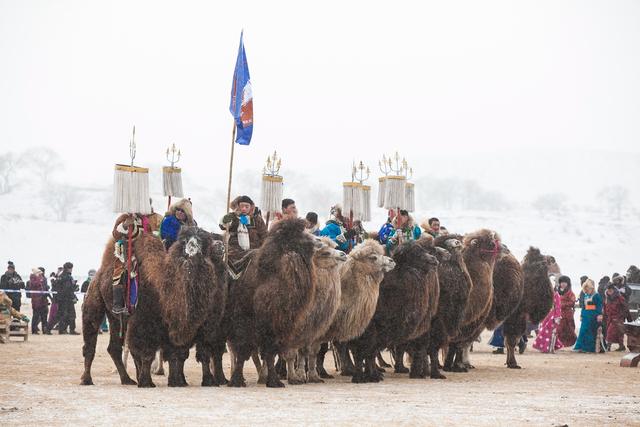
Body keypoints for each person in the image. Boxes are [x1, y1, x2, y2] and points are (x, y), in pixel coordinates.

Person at [220, 195, 268, 264]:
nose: (244, 209)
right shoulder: (233, 217)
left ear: (251, 207)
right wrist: (226, 220)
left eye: (246, 206)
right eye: (242, 206)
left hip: (253, 253)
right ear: (238, 206)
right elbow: (223, 226)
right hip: (234, 252)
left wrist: (263, 250)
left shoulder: (257, 219)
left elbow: (264, 235)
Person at [574, 279, 603, 353]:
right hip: (585, 316)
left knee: (590, 332)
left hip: (593, 316)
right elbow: (584, 306)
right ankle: (580, 347)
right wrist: (581, 315)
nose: (586, 290)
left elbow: (599, 306)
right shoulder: (586, 295)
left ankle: (589, 348)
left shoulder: (597, 296)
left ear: (592, 288)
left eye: (588, 288)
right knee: (582, 331)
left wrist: (599, 314)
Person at [533, 286, 564, 353]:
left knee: (549, 332)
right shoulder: (546, 295)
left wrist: (557, 317)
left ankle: (549, 348)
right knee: (543, 331)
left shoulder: (556, 295)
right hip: (546, 316)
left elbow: (558, 306)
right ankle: (544, 347)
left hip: (552, 316)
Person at [604, 283, 630, 352]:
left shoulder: (619, 297)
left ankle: (608, 346)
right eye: (608, 290)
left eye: (610, 290)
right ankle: (621, 346)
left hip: (617, 318)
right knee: (618, 332)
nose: (609, 292)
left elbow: (625, 307)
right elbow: (605, 307)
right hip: (610, 318)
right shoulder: (607, 298)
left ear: (613, 290)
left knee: (612, 332)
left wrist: (621, 315)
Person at [56, 262, 78, 335]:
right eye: (71, 268)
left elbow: (58, 286)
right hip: (67, 299)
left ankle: (62, 330)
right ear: (69, 268)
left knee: (63, 315)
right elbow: (68, 289)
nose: (72, 270)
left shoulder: (60, 276)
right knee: (71, 315)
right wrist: (73, 297)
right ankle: (70, 330)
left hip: (61, 298)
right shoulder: (67, 277)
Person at [26, 267, 50, 335]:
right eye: (38, 272)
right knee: (36, 316)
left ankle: (45, 330)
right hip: (36, 300)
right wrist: (39, 279)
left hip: (43, 299)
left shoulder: (44, 278)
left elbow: (45, 287)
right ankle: (34, 330)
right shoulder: (32, 278)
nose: (40, 274)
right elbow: (33, 285)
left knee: (44, 316)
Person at [557, 275, 577, 347]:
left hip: (567, 313)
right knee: (559, 328)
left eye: (565, 282)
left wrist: (562, 305)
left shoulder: (570, 293)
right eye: (561, 282)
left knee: (569, 328)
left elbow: (572, 302)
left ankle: (569, 343)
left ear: (568, 283)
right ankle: (559, 342)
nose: (563, 284)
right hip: (558, 313)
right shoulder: (557, 291)